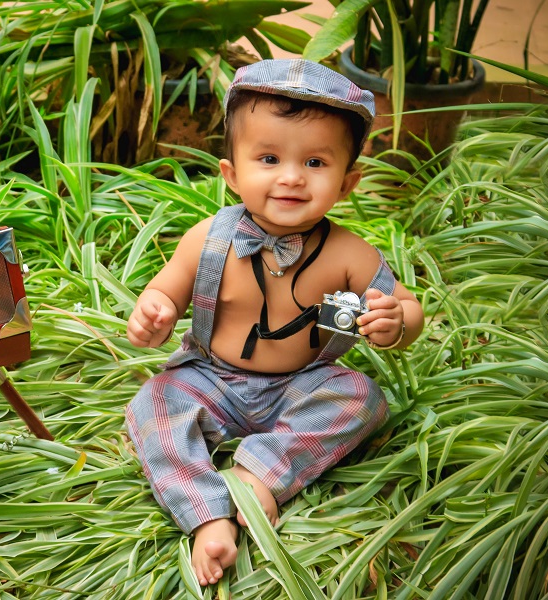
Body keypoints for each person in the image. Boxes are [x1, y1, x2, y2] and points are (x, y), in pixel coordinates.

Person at [124, 59, 424, 587]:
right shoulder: (208, 239)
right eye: (268, 158)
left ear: (348, 182)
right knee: (153, 403)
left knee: (363, 396)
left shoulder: (349, 255)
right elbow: (163, 288)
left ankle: (257, 476)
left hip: (300, 385)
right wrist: (155, 312)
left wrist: (396, 321)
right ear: (232, 173)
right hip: (212, 379)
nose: (290, 177)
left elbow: (409, 308)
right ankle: (207, 511)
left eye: (314, 161)